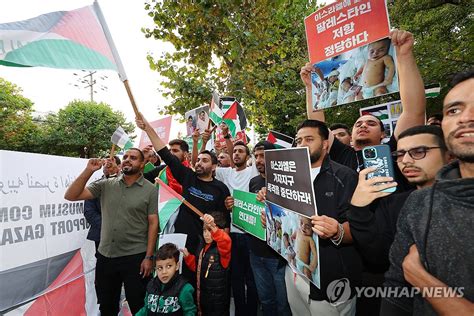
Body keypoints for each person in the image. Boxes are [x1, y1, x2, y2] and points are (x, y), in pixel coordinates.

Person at [381, 70, 474, 315]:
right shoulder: (419, 202)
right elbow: (396, 285)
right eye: (453, 110)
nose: (465, 118)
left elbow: (412, 110)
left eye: (420, 152)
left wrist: (422, 279)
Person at [302, 29, 426, 192]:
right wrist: (310, 88)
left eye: (371, 123)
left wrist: (404, 55)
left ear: (383, 134)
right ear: (352, 133)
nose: (363, 125)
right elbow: (317, 125)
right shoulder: (344, 155)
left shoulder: (393, 150)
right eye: (358, 123)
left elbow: (413, 110)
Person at [258, 119, 361, 315]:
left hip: (332, 280)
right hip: (294, 272)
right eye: (298, 140)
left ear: (325, 144)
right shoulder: (286, 175)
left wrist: (337, 231)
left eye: (309, 139)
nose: (302, 144)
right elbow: (284, 219)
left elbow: (360, 228)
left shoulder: (345, 176)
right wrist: (270, 217)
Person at [347, 125, 449, 315]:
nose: (407, 161)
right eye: (400, 154)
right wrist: (358, 209)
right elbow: (378, 257)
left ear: (449, 155)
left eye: (419, 151)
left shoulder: (465, 203)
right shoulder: (393, 203)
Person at [136, 113, 231, 285]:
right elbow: (164, 153)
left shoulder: (220, 189)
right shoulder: (188, 177)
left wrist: (220, 253)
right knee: (177, 281)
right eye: (199, 160)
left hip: (203, 244)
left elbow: (224, 224)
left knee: (199, 284)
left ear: (214, 166)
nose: (200, 163)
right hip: (180, 240)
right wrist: (147, 128)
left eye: (205, 160)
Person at [64, 149, 159, 315]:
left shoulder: (150, 190)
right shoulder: (106, 184)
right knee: (107, 307)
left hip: (135, 257)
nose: (128, 160)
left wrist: (149, 257)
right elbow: (71, 195)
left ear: (143, 164)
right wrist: (88, 170)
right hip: (106, 257)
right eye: (126, 157)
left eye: (133, 158)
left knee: (139, 306)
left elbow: (153, 223)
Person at [200, 125, 259, 316]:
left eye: (241, 151)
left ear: (248, 156)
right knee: (235, 276)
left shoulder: (253, 172)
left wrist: (227, 136)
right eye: (234, 151)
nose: (236, 154)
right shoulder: (226, 173)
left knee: (251, 278)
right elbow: (198, 165)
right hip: (231, 234)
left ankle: (251, 311)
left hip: (250, 234)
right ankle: (240, 311)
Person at [248, 141, 292, 316]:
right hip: (256, 253)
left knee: (283, 303)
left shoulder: (288, 181)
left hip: (278, 256)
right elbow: (251, 210)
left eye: (263, 155)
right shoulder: (253, 182)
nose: (258, 160)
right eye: (256, 156)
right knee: (266, 300)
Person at [183, 213, 232, 316]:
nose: (206, 234)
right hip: (202, 300)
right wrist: (188, 257)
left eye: (209, 231)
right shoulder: (202, 247)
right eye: (204, 230)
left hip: (217, 305)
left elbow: (225, 240)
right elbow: (199, 268)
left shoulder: (222, 250)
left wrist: (213, 226)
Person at [136, 243, 196, 316]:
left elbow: (190, 312)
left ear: (177, 266)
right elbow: (146, 309)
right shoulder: (151, 285)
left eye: (169, 266)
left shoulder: (184, 288)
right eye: (160, 268)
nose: (164, 272)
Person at [84, 155, 121, 251]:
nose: (107, 166)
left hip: (124, 236)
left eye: (110, 163)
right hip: (101, 235)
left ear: (119, 166)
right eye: (105, 164)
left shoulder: (128, 186)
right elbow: (89, 212)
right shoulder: (95, 186)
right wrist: (107, 226)